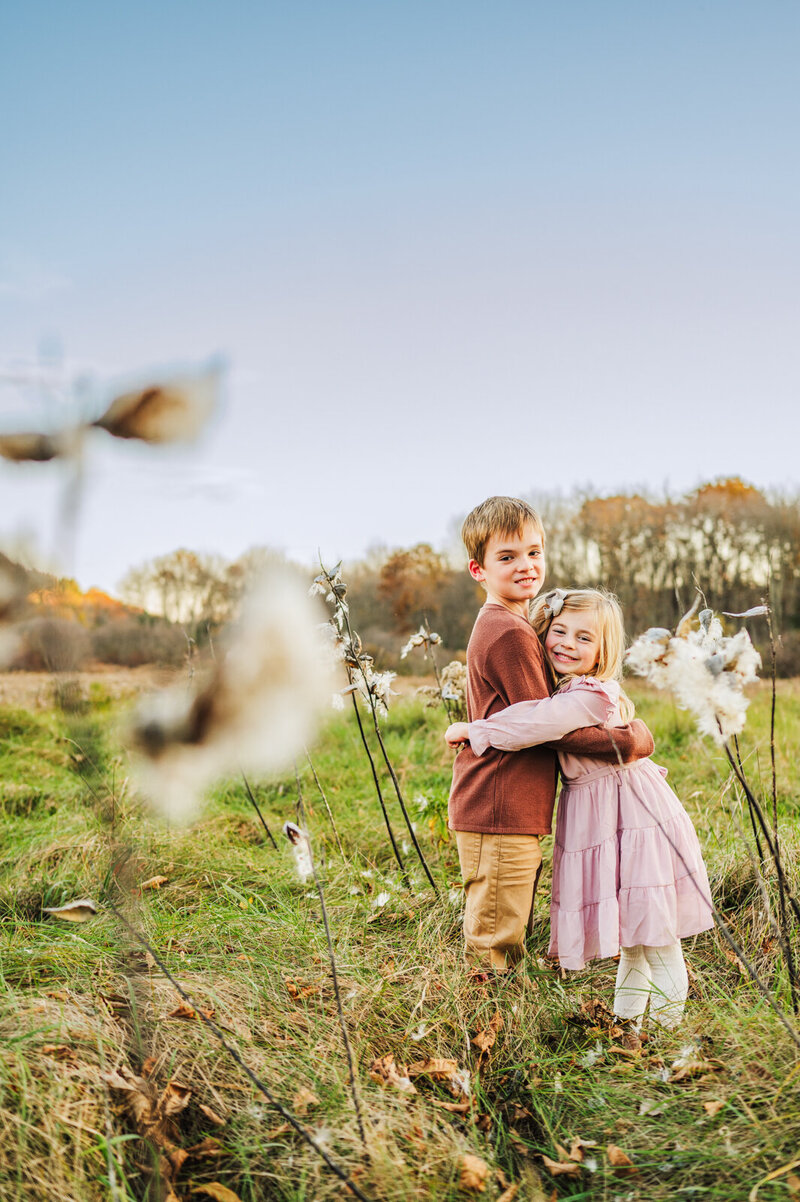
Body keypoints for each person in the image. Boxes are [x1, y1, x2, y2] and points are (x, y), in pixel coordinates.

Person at [446, 587, 714, 1030]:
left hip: (632, 817)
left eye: (584, 638)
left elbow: (535, 723)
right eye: (560, 631)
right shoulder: (568, 691)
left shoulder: (588, 695)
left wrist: (475, 729)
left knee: (658, 937)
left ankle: (671, 1036)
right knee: (634, 938)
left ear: (602, 652)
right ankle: (628, 1027)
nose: (567, 643)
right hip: (605, 814)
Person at [448, 498, 655, 974]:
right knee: (495, 934)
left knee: (505, 920)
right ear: (478, 569)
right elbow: (550, 728)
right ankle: (485, 1023)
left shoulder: (516, 624)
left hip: (511, 802)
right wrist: (630, 741)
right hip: (499, 801)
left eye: (534, 552)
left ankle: (499, 1014)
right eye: (507, 557)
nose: (525, 566)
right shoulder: (510, 634)